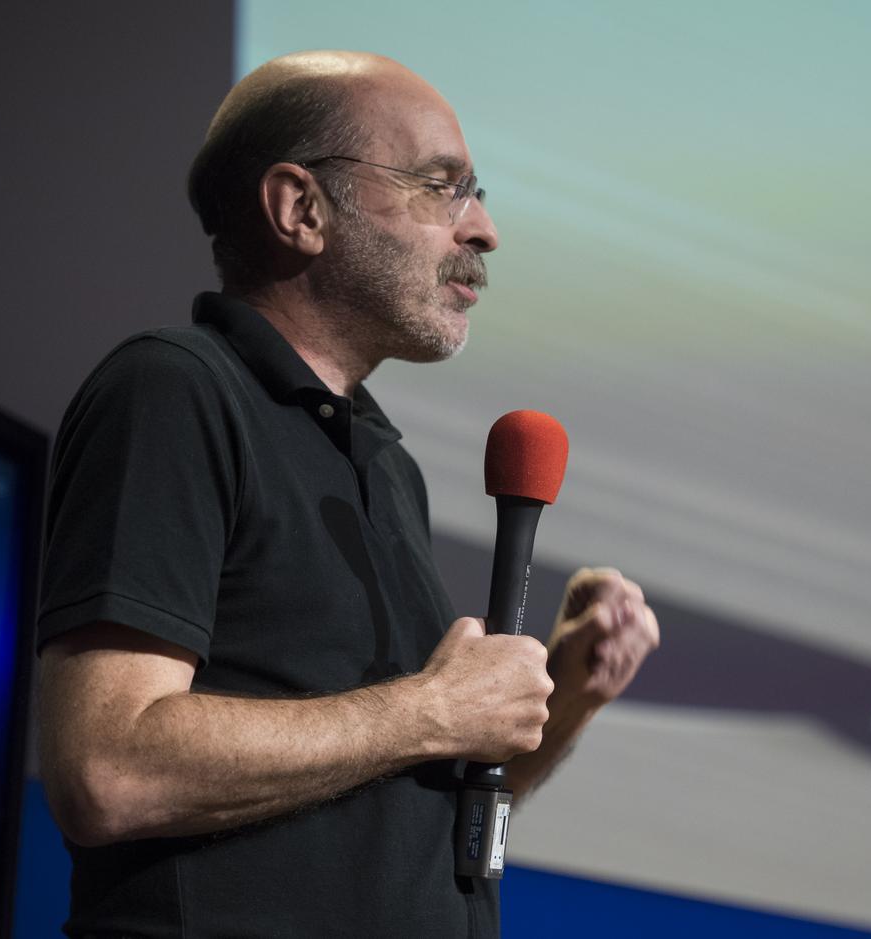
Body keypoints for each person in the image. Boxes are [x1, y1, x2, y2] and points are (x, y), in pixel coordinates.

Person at [35, 50, 659, 938]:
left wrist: (566, 691)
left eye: (476, 193)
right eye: (442, 186)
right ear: (301, 209)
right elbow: (107, 769)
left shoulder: (381, 460)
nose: (483, 230)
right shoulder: (175, 391)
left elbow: (417, 803)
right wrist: (430, 707)